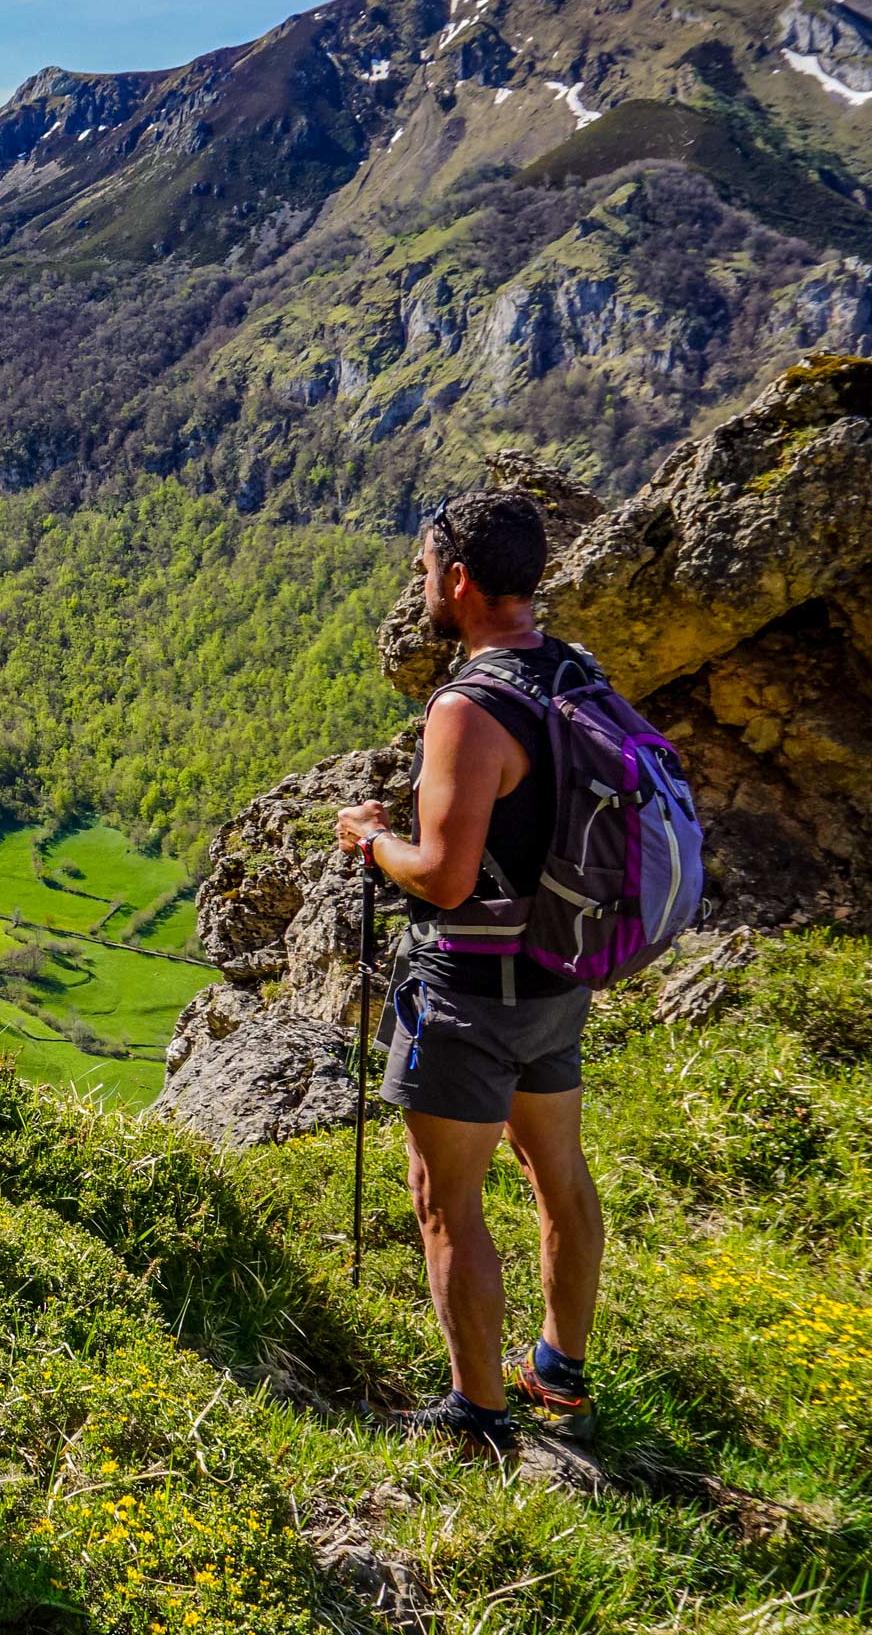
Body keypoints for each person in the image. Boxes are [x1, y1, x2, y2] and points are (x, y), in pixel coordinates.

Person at [335, 489, 604, 1461]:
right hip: (559, 979)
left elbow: (444, 878)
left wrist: (373, 842)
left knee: (445, 1198)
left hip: (471, 992)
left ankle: (478, 1415)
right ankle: (559, 1373)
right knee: (555, 1173)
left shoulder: (469, 706)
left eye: (422, 572)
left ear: (456, 578)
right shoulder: (574, 673)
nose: (419, 588)